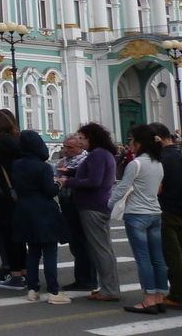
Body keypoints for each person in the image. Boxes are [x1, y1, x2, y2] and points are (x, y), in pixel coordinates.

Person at [111, 124, 168, 314]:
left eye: (131, 140)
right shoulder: (157, 163)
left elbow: (122, 188)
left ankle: (148, 299)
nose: (129, 143)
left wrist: (109, 203)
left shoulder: (135, 164)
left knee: (143, 258)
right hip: (155, 213)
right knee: (157, 258)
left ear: (139, 142)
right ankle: (160, 296)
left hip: (137, 214)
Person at [11, 129, 69, 304]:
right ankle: (53, 291)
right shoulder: (43, 166)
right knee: (50, 251)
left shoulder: (17, 164)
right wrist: (59, 184)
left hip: (24, 209)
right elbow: (49, 191)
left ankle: (33, 289)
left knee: (33, 251)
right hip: (44, 209)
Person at [65, 122, 121, 302]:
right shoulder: (104, 154)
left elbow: (93, 181)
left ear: (91, 138)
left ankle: (109, 290)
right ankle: (108, 287)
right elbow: (93, 175)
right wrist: (71, 172)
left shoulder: (97, 154)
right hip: (100, 204)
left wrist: (67, 181)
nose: (80, 142)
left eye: (82, 138)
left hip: (93, 206)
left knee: (100, 249)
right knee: (104, 248)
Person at [0, 109, 27, 290]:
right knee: (18, 236)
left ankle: (15, 274)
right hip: (18, 193)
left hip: (3, 195)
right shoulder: (19, 142)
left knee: (8, 235)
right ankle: (24, 272)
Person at [53, 133, 96, 291]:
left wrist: (67, 178)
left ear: (80, 146)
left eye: (70, 147)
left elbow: (85, 178)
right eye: (64, 147)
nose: (66, 150)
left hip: (78, 202)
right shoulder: (64, 160)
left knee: (83, 242)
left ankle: (88, 279)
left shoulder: (86, 159)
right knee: (74, 241)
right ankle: (81, 278)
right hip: (66, 201)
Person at [156, 125, 181, 309]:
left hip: (168, 211)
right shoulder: (178, 154)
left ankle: (178, 295)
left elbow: (157, 188)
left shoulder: (162, 160)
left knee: (173, 255)